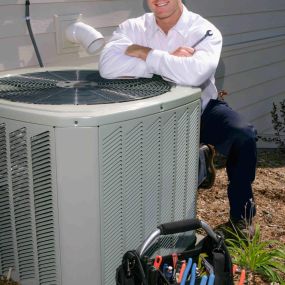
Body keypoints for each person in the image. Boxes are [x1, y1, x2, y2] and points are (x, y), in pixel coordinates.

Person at [99, 0, 257, 235]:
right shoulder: (132, 27)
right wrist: (166, 58)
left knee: (243, 136)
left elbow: (195, 74)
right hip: (151, 112)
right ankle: (201, 160)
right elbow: (108, 67)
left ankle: (242, 216)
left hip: (199, 109)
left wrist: (143, 54)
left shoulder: (203, 30)